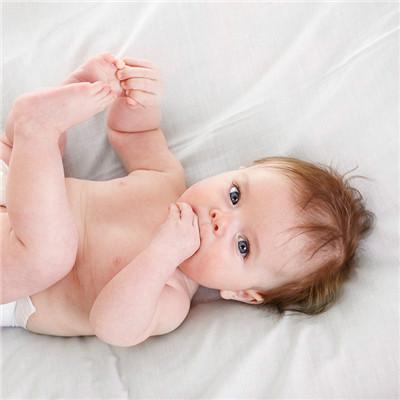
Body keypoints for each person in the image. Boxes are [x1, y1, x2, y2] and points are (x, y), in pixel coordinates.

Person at [0, 53, 374, 346]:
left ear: (243, 293)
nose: (220, 218)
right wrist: (136, 99)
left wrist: (161, 254)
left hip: (17, 283)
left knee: (51, 256)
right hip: (11, 187)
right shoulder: (166, 178)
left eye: (242, 246)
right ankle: (79, 92)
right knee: (34, 157)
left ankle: (37, 127)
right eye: (234, 195)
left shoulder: (171, 297)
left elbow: (111, 325)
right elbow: (134, 134)